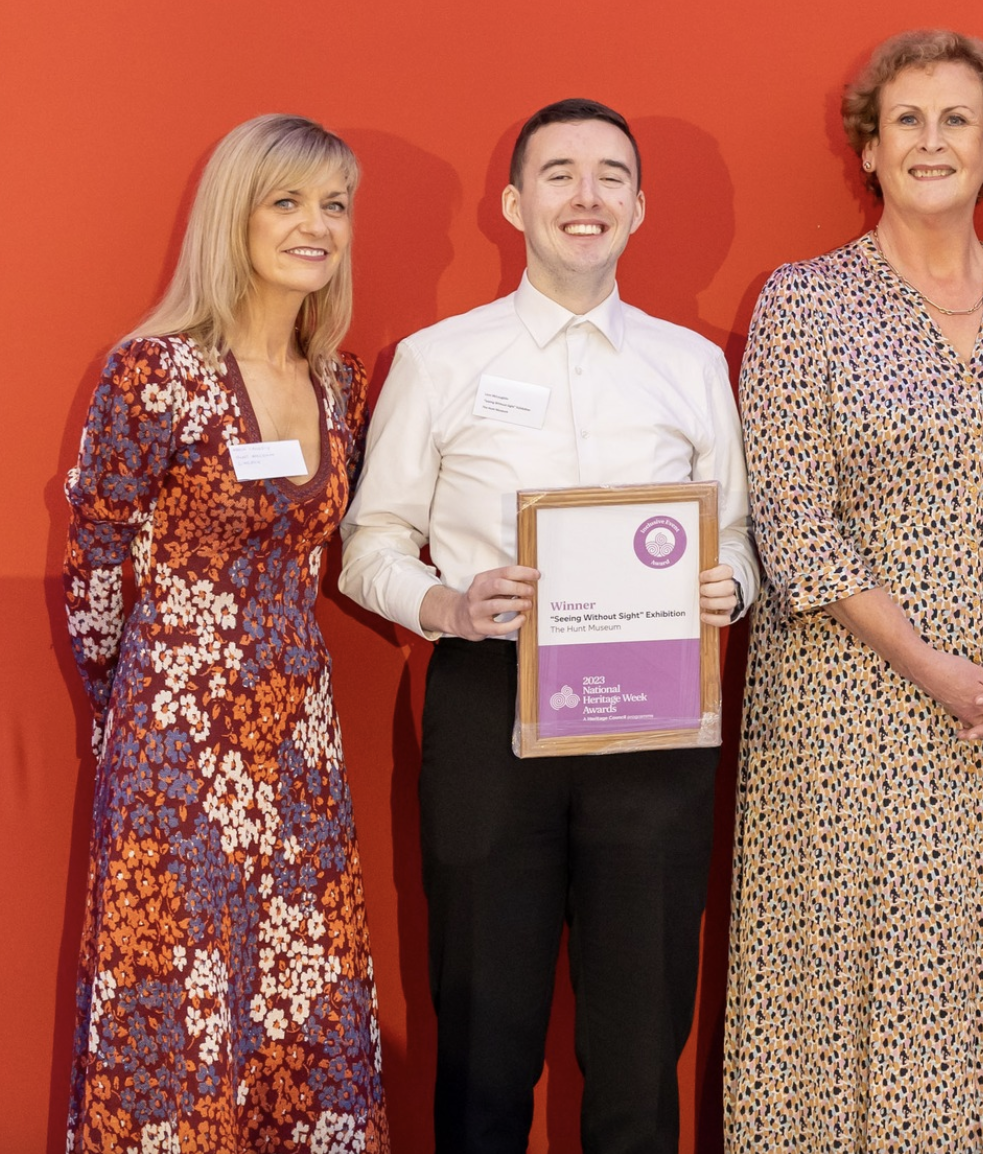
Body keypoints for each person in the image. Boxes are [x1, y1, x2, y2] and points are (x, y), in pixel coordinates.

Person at [722, 29, 983, 1151]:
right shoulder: (804, 302)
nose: (932, 141)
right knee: (854, 979)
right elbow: (794, 521)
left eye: (958, 120)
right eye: (907, 120)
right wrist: (931, 667)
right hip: (851, 708)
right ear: (869, 148)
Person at [339, 98, 755, 1152]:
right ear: (515, 203)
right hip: (490, 702)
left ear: (639, 208)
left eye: (611, 175)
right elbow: (370, 541)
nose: (586, 195)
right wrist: (445, 603)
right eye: (559, 173)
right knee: (485, 1035)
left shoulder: (692, 364)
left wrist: (732, 587)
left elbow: (738, 536)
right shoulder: (438, 359)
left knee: (640, 1042)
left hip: (656, 716)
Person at [63, 114, 388, 1152]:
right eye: (286, 201)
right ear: (232, 216)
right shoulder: (151, 373)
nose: (315, 225)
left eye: (334, 204)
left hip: (297, 745)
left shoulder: (340, 381)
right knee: (180, 1001)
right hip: (175, 748)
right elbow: (96, 565)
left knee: (299, 993)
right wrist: (135, 718)